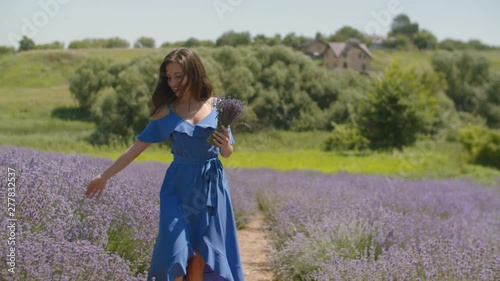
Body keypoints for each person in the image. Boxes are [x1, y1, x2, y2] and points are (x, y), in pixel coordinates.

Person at [85, 47, 245, 281]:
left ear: (195, 72)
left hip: (211, 187)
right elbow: (136, 149)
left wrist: (224, 146)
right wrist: (104, 176)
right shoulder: (165, 112)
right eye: (169, 77)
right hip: (177, 188)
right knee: (174, 252)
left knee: (200, 256)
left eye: (178, 76)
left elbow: (228, 152)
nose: (173, 82)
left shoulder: (218, 106)